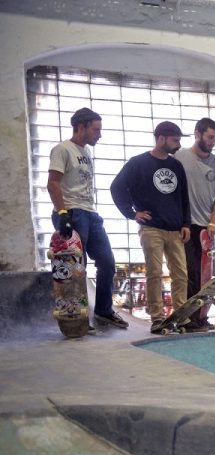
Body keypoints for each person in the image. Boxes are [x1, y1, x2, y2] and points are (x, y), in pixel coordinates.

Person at [47, 107, 128, 331]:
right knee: (74, 268)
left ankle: (103, 311)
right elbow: (53, 183)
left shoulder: (86, 152)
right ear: (81, 127)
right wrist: (62, 213)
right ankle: (76, 317)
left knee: (107, 262)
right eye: (96, 129)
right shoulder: (62, 149)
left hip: (91, 213)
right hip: (72, 213)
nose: (99, 135)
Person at [110, 121, 191, 332]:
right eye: (175, 140)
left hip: (175, 229)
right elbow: (117, 187)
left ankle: (179, 317)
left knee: (181, 274)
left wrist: (186, 223)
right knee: (154, 273)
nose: (178, 144)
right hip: (151, 228)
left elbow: (183, 196)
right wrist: (131, 213)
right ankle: (157, 317)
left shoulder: (176, 166)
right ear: (161, 138)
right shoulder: (138, 163)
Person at [176, 118, 215, 330]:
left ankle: (201, 317)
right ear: (197, 134)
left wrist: (213, 223)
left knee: (205, 276)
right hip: (186, 225)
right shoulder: (179, 158)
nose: (213, 142)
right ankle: (186, 318)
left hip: (207, 230)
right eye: (209, 137)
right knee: (188, 273)